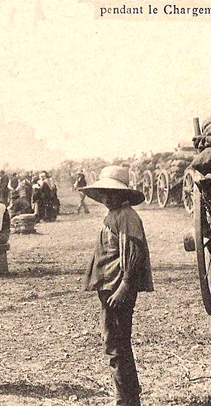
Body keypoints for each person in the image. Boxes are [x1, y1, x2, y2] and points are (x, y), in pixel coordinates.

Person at [80, 165, 154, 406]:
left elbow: (134, 254)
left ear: (123, 195)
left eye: (112, 193)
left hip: (118, 289)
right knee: (113, 341)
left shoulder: (128, 217)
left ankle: (127, 399)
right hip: (108, 287)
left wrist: (124, 286)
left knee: (118, 344)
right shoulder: (113, 215)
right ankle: (125, 395)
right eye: (104, 193)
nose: (107, 197)